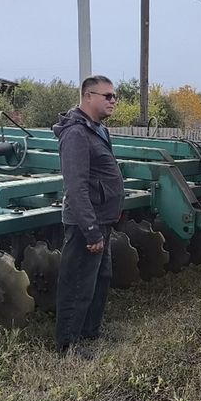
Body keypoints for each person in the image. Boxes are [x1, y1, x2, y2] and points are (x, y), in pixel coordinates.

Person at [53, 75, 124, 356]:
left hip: (101, 219)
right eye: (107, 96)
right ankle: (67, 344)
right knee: (77, 283)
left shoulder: (97, 130)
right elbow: (76, 187)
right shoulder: (76, 134)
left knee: (100, 278)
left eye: (115, 96)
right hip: (86, 223)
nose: (113, 101)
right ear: (88, 96)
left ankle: (90, 331)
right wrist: (91, 230)